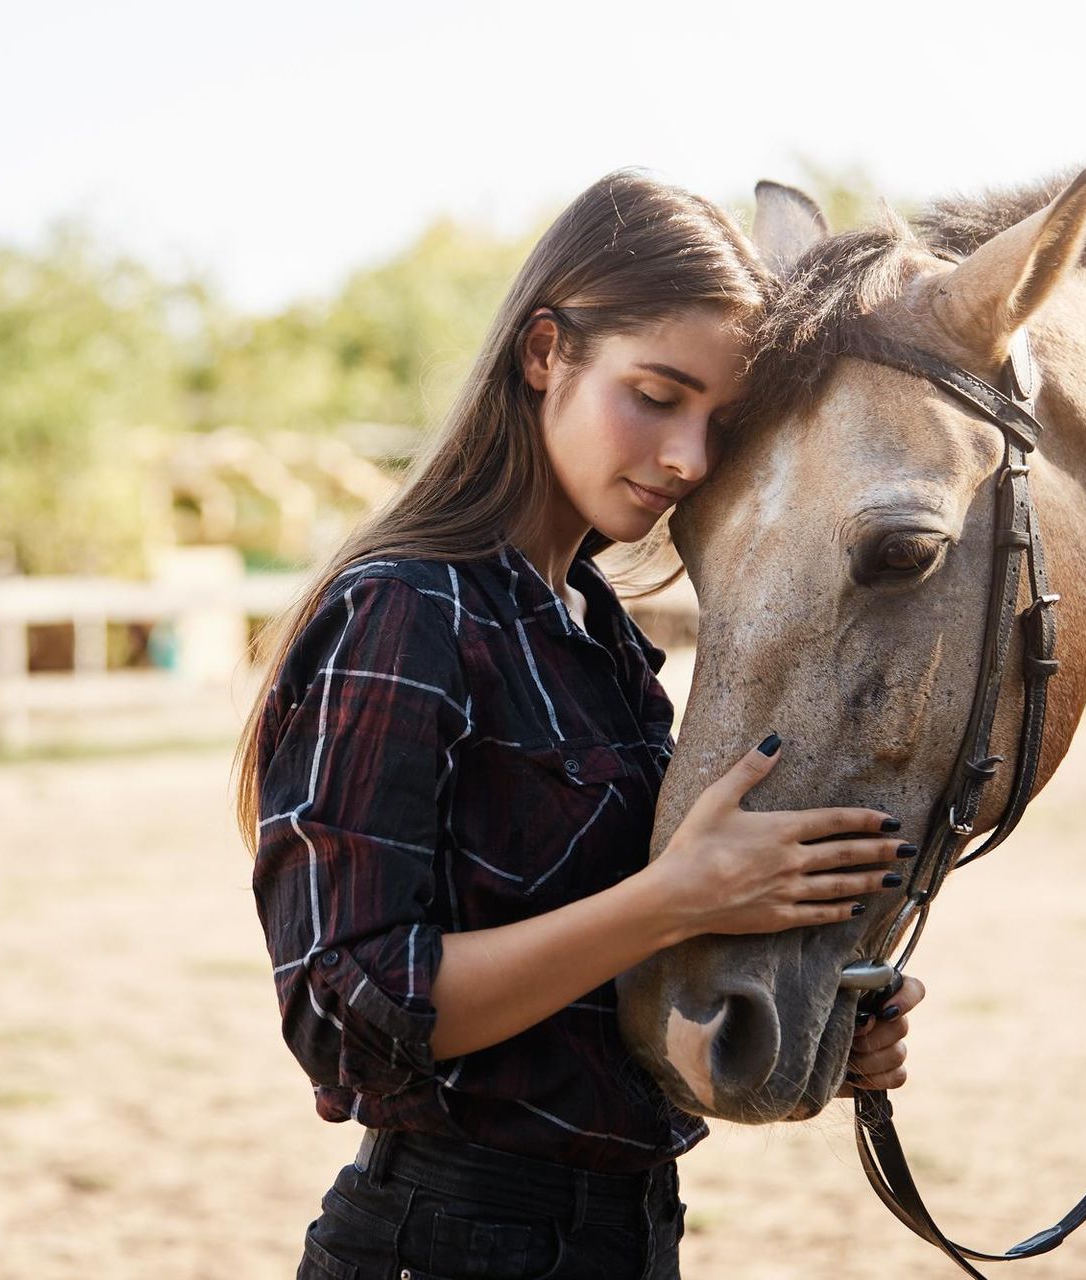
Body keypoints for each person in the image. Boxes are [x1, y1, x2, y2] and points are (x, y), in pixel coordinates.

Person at [239, 169, 925, 1280]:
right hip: (449, 1242)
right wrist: (675, 897)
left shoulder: (599, 634)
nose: (688, 460)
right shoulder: (406, 609)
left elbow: (591, 995)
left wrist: (812, 1018)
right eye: (656, 394)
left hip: (630, 1236)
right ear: (545, 351)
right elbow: (351, 1007)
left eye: (717, 421)